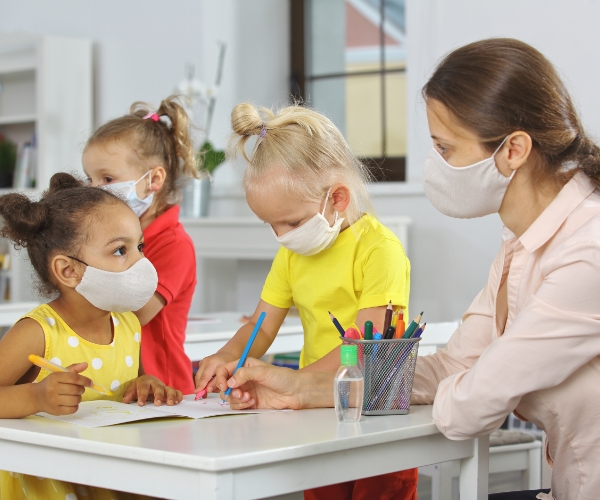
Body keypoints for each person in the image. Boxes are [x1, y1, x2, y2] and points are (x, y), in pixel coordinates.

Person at [214, 38, 600, 500]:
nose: (435, 167)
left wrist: (459, 386)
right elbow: (453, 367)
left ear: (513, 149)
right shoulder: (521, 241)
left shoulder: (587, 251)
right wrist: (302, 387)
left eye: (445, 148)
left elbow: (474, 406)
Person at [194, 103, 416, 500]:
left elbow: (365, 349)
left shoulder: (380, 250)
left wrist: (296, 383)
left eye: (292, 222)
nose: (281, 236)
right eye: (271, 225)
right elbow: (260, 325)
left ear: (339, 198)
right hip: (317, 417)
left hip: (376, 418)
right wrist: (228, 357)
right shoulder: (292, 254)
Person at [0, 173, 182, 499]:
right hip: (45, 484)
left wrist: (143, 385)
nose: (141, 262)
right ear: (69, 271)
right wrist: (36, 397)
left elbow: (121, 389)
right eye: (120, 251)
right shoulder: (37, 332)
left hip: (105, 478)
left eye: (139, 246)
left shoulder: (127, 324)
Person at [83, 96, 199, 394]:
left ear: (154, 179)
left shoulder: (174, 245)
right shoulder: (110, 236)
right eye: (89, 179)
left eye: (107, 178)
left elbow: (134, 314)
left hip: (164, 389)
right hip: (121, 382)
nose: (95, 191)